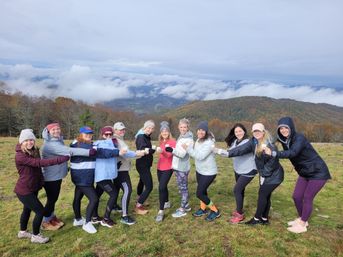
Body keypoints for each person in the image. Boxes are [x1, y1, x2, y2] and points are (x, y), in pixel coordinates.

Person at [264, 117, 331, 233]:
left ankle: (303, 224)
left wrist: (274, 153)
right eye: (281, 128)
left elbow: (293, 152)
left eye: (286, 128)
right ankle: (302, 218)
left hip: (318, 172)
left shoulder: (299, 138)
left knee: (307, 197)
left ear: (291, 128)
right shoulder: (285, 139)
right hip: (304, 172)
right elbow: (272, 141)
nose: (283, 130)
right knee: (296, 196)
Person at [215, 123, 284, 225]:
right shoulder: (253, 142)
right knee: (266, 196)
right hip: (265, 174)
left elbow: (272, 164)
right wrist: (223, 152)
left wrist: (263, 176)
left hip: (273, 175)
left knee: (262, 196)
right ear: (252, 132)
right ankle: (264, 219)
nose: (257, 133)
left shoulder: (270, 144)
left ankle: (256, 219)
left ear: (263, 132)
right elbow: (240, 150)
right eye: (255, 131)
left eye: (259, 131)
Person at [15, 129, 69, 244]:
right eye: (26, 140)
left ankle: (22, 232)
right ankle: (36, 235)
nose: (29, 142)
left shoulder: (33, 151)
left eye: (31, 140)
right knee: (40, 211)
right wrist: (61, 159)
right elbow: (39, 163)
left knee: (27, 209)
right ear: (21, 142)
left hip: (32, 187)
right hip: (24, 190)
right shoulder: (20, 156)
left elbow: (38, 170)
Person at [70, 126, 125, 233]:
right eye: (86, 134)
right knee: (94, 198)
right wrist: (117, 152)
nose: (89, 136)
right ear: (80, 135)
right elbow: (101, 152)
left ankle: (78, 219)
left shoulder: (84, 144)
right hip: (83, 177)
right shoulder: (80, 146)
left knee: (78, 197)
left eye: (90, 134)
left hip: (82, 177)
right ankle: (87, 223)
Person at [41, 122, 94, 230]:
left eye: (57, 129)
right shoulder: (50, 145)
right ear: (48, 132)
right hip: (51, 177)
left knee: (53, 199)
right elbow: (69, 151)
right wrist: (88, 152)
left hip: (56, 175)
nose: (56, 131)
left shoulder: (57, 140)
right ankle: (45, 221)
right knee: (51, 199)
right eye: (53, 130)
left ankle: (51, 217)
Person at [91, 126, 127, 228]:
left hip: (107, 175)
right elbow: (106, 153)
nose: (108, 136)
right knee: (114, 194)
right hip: (102, 176)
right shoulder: (98, 144)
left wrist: (138, 153)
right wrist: (117, 152)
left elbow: (120, 154)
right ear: (102, 135)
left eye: (110, 134)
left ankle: (94, 217)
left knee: (97, 195)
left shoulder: (112, 144)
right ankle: (106, 219)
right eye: (106, 134)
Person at [186, 121, 221, 221]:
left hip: (209, 172)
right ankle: (203, 208)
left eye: (203, 130)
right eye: (199, 130)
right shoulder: (198, 140)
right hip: (200, 170)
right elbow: (196, 153)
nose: (200, 132)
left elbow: (200, 156)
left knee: (199, 193)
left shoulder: (209, 143)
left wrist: (188, 149)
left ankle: (215, 211)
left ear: (206, 131)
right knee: (203, 191)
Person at [112, 122, 145, 225]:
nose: (122, 131)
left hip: (120, 169)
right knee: (128, 190)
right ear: (115, 130)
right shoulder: (115, 140)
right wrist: (137, 153)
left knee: (116, 189)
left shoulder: (119, 139)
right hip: (121, 170)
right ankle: (124, 216)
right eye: (120, 129)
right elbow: (124, 153)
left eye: (123, 129)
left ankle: (114, 206)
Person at [224, 123, 257, 224]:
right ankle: (239, 209)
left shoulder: (248, 142)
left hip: (248, 170)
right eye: (236, 131)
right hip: (238, 170)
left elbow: (237, 152)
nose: (238, 133)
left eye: (240, 131)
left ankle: (239, 215)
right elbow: (231, 150)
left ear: (244, 131)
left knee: (237, 190)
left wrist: (219, 151)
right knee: (240, 190)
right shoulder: (235, 141)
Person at [165, 118, 194, 218]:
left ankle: (182, 209)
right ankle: (186, 206)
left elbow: (182, 154)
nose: (183, 128)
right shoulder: (181, 136)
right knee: (181, 188)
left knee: (183, 188)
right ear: (178, 127)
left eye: (185, 127)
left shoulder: (189, 139)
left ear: (188, 127)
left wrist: (171, 150)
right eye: (181, 127)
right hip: (177, 166)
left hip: (182, 167)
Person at [155, 121, 176, 222]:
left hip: (168, 168)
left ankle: (161, 210)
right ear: (160, 132)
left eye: (166, 131)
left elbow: (168, 155)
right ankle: (167, 201)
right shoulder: (161, 141)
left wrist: (162, 151)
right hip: (159, 168)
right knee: (163, 187)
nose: (164, 132)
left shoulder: (173, 142)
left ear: (169, 132)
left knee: (161, 187)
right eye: (163, 131)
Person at [135, 120, 156, 215]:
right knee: (149, 186)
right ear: (144, 127)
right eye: (148, 127)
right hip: (142, 164)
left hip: (145, 164)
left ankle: (139, 198)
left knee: (142, 181)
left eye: (152, 128)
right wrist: (153, 150)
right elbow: (143, 149)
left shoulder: (146, 137)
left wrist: (151, 150)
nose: (150, 129)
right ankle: (138, 206)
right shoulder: (141, 136)